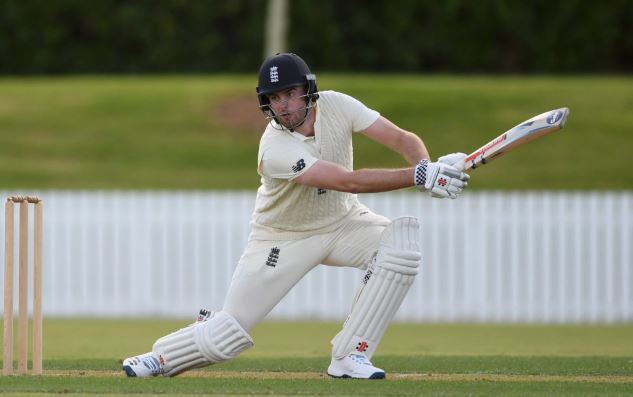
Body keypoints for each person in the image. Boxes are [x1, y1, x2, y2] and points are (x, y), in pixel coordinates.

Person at [122, 53, 470, 379]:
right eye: (274, 98)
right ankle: (159, 357)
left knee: (401, 245)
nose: (283, 106)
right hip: (282, 238)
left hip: (342, 222)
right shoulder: (274, 147)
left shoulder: (338, 104)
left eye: (289, 93)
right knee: (225, 337)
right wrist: (419, 177)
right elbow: (347, 181)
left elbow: (401, 138)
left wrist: (426, 167)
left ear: (308, 90)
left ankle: (350, 357)